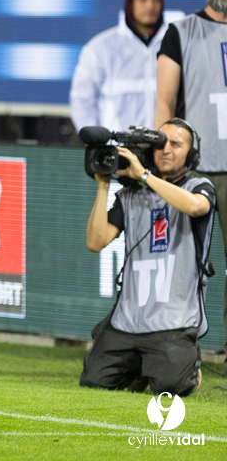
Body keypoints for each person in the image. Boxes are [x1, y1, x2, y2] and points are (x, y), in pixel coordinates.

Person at [81, 119, 216, 396]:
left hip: (174, 320)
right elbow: (95, 242)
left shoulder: (198, 185)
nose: (166, 149)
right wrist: (103, 186)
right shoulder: (131, 195)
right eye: (160, 143)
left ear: (191, 154)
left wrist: (144, 176)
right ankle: (140, 368)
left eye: (176, 144)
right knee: (93, 381)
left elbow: (195, 207)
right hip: (129, 318)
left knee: (172, 386)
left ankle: (187, 368)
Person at [155, 0, 227, 350]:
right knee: (181, 267)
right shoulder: (180, 32)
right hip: (194, 171)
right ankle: (175, 352)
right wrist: (159, 162)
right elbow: (164, 105)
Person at [70, 0, 166, 132]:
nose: (150, 5)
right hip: (117, 151)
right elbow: (82, 101)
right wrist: (96, 142)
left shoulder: (175, 45)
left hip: (164, 151)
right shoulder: (100, 48)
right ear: (130, 4)